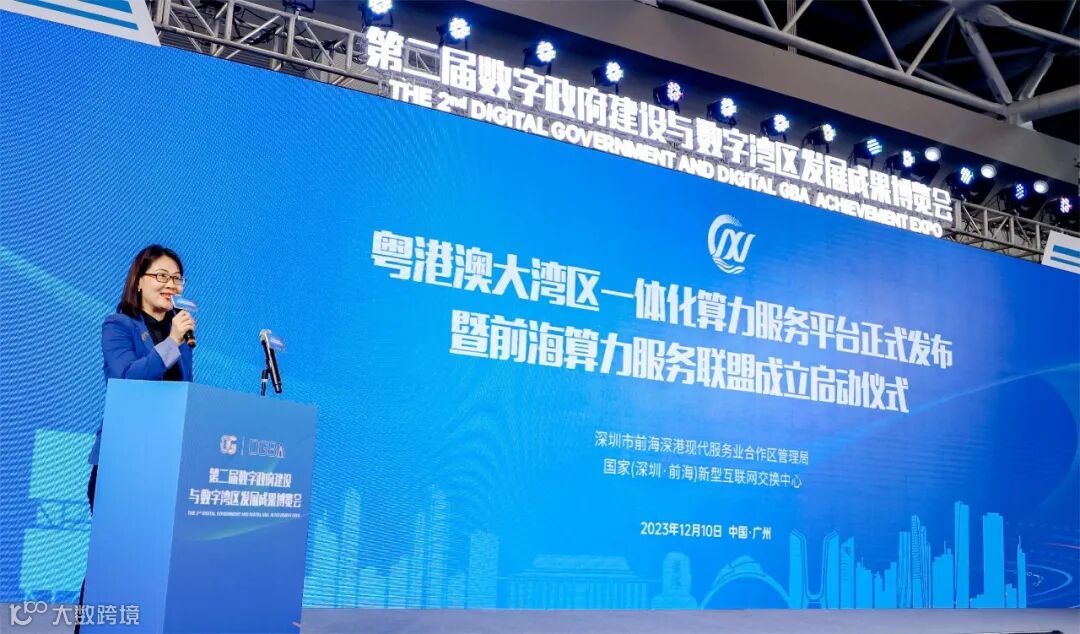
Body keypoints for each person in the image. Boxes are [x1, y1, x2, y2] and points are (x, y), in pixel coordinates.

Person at [77, 244, 195, 631]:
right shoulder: (118, 325)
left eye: (176, 278)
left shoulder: (183, 335)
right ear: (139, 281)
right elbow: (126, 380)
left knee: (152, 566)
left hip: (161, 466)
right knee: (112, 562)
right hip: (121, 463)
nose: (170, 284)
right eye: (161, 276)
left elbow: (181, 396)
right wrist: (172, 342)